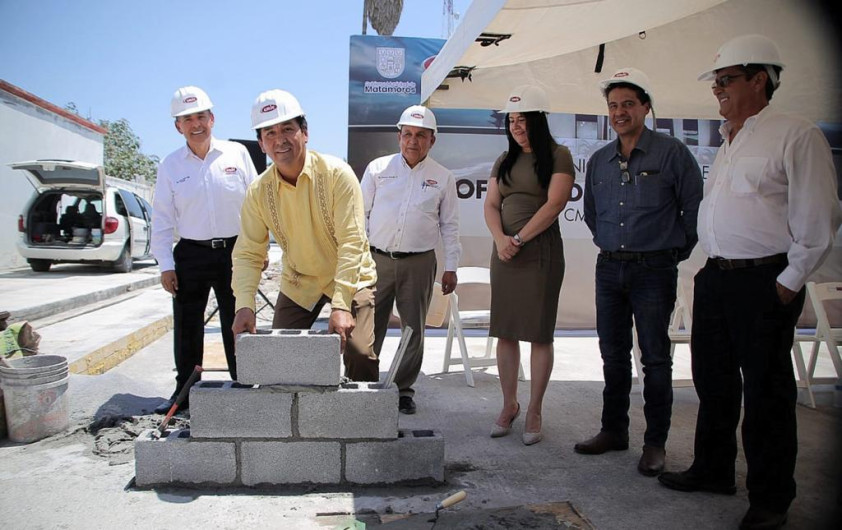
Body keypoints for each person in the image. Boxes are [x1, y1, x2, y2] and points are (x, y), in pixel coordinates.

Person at [658, 35, 841, 530]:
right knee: (713, 382)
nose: (717, 88)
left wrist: (788, 282)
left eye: (726, 79)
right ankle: (713, 470)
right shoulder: (730, 139)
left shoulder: (795, 134)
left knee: (766, 393)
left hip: (764, 281)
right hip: (718, 277)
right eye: (715, 82)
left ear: (760, 79)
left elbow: (820, 220)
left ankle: (771, 498)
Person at [577, 68, 703, 476]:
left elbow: (694, 211)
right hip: (609, 268)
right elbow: (593, 215)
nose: (619, 112)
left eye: (628, 104)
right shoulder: (599, 160)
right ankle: (613, 430)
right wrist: (612, 245)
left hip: (654, 270)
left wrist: (671, 252)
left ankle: (655, 444)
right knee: (612, 356)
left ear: (646, 107)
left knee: (655, 359)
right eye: (613, 105)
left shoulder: (672, 154)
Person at [231, 89, 379, 381]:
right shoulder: (258, 191)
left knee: (359, 352)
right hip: (300, 281)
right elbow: (248, 253)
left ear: (305, 132)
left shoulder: (337, 174)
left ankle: (360, 411)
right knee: (282, 356)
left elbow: (351, 243)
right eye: (270, 133)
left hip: (350, 278)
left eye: (288, 129)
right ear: (261, 144)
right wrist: (244, 305)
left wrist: (341, 305)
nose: (280, 140)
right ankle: (297, 410)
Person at [151, 86, 258, 414]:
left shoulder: (237, 154)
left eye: (200, 116)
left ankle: (245, 384)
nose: (195, 124)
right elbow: (162, 218)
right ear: (178, 127)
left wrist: (260, 249)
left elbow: (257, 204)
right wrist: (166, 264)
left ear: (212, 118)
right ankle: (184, 394)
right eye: (187, 119)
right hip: (191, 255)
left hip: (235, 253)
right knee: (187, 327)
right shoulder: (170, 166)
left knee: (237, 321)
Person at [484, 85, 575, 446]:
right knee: (505, 331)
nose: (516, 127)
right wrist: (500, 240)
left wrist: (519, 239)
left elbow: (555, 204)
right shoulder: (503, 160)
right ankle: (510, 404)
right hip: (505, 255)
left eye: (523, 120)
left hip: (540, 255)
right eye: (511, 121)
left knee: (539, 333)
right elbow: (491, 205)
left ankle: (535, 409)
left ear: (538, 121)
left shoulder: (558, 155)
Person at [360, 105, 461, 414]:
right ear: (399, 137)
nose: (413, 141)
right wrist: (359, 259)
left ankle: (403, 389)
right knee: (367, 326)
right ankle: (362, 384)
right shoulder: (378, 169)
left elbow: (450, 226)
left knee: (413, 329)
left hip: (419, 263)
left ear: (432, 140)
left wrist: (451, 267)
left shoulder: (443, 178)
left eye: (420, 135)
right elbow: (360, 215)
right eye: (407, 134)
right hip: (376, 260)